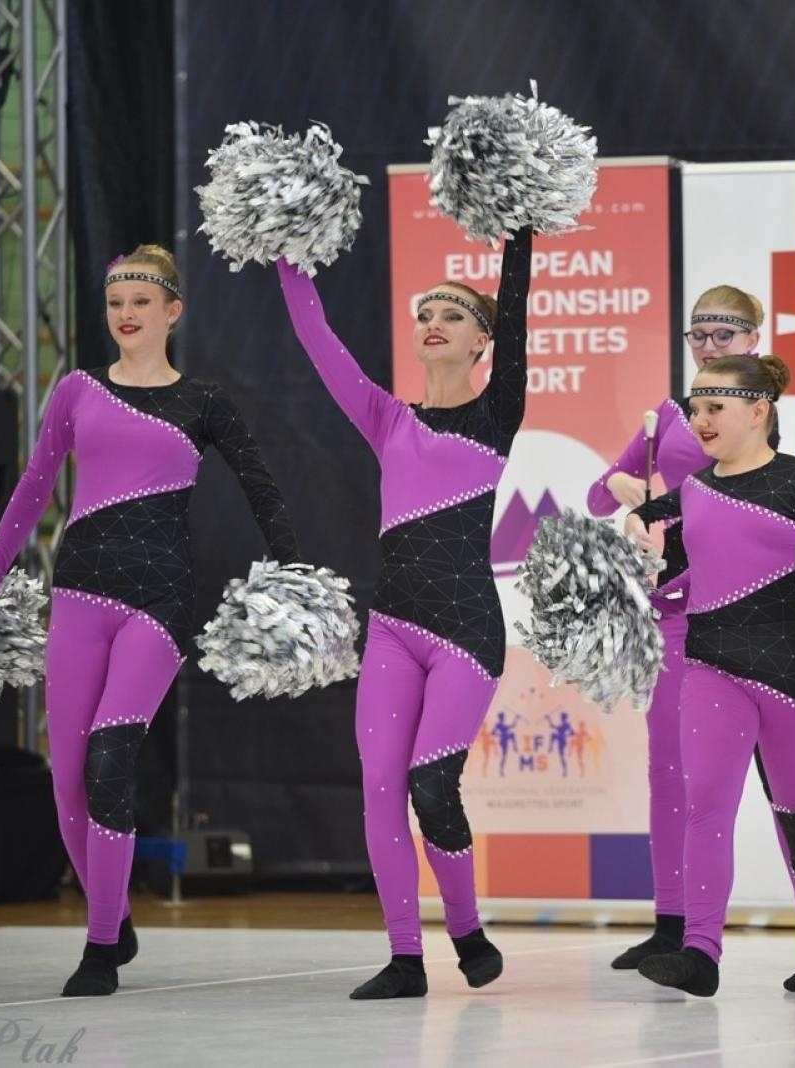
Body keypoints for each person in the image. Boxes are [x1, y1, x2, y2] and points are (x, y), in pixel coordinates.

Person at [0, 244, 301, 997]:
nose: (125, 314)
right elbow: (32, 489)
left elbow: (262, 487)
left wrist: (293, 570)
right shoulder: (77, 390)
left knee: (110, 762)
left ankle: (97, 949)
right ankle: (114, 916)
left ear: (172, 312)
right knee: (67, 782)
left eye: (141, 303)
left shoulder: (204, 402)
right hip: (80, 591)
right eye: (116, 302)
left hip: (160, 600)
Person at [275, 226, 533, 999]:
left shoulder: (496, 416)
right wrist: (285, 247)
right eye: (428, 312)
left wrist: (518, 228)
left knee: (431, 786)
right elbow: (318, 339)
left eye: (454, 315)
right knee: (380, 789)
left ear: (483, 342)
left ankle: (466, 929)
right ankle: (404, 959)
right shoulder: (388, 418)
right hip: (391, 625)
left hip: (465, 631)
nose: (434, 322)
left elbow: (518, 308)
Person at [589, 287, 795, 971]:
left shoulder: (790, 469)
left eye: (724, 334)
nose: (700, 418)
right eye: (696, 335)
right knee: (692, 792)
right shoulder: (682, 457)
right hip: (700, 644)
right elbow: (641, 530)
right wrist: (637, 539)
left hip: (784, 659)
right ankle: (692, 942)